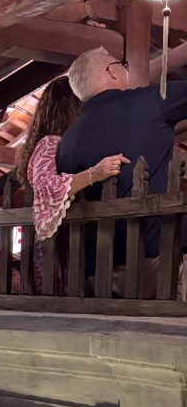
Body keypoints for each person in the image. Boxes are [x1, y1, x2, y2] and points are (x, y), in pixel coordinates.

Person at [57, 47, 187, 289]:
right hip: (157, 253)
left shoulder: (67, 141)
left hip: (98, 267)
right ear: (112, 72)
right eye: (123, 65)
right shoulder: (149, 101)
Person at [17, 76, 128, 292]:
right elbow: (47, 187)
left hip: (70, 243)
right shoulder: (49, 142)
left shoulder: (59, 143)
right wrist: (94, 174)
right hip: (58, 246)